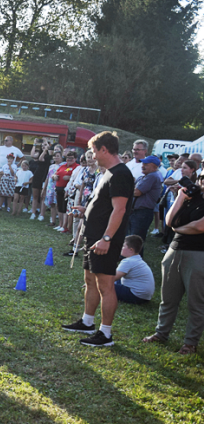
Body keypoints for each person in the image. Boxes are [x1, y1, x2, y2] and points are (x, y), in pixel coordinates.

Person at [62, 131, 134, 347]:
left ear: (104, 149)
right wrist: (87, 209)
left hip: (104, 241)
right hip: (94, 237)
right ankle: (87, 322)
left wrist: (106, 238)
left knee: (106, 286)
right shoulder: (109, 173)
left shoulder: (120, 173)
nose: (92, 156)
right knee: (89, 281)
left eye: (94, 151)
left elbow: (119, 210)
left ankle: (106, 334)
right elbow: (106, 206)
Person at [142, 171, 204, 354]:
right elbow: (168, 221)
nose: (202, 181)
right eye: (201, 178)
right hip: (174, 250)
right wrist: (180, 197)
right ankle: (161, 334)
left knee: (196, 303)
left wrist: (178, 228)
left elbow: (200, 226)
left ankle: (190, 343)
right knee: (168, 299)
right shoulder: (192, 197)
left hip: (198, 254)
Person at [127, 155, 164, 248]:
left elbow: (137, 192)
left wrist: (126, 189)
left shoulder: (152, 176)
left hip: (142, 213)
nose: (142, 166)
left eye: (146, 164)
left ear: (154, 166)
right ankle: (129, 259)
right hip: (137, 212)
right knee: (131, 239)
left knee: (135, 241)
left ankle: (135, 260)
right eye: (143, 163)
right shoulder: (145, 176)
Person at [113, 235, 155, 304]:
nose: (121, 248)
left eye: (123, 246)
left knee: (104, 285)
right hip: (145, 297)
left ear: (131, 250)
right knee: (116, 282)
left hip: (135, 296)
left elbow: (112, 278)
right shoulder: (137, 259)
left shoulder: (128, 261)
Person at [52, 152, 77, 232]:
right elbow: (54, 174)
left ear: (75, 159)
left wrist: (69, 178)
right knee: (59, 207)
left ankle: (65, 226)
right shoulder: (62, 166)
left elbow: (76, 178)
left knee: (65, 207)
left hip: (67, 190)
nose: (69, 159)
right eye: (68, 158)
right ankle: (60, 224)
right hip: (58, 188)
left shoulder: (76, 167)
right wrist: (54, 177)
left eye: (71, 158)